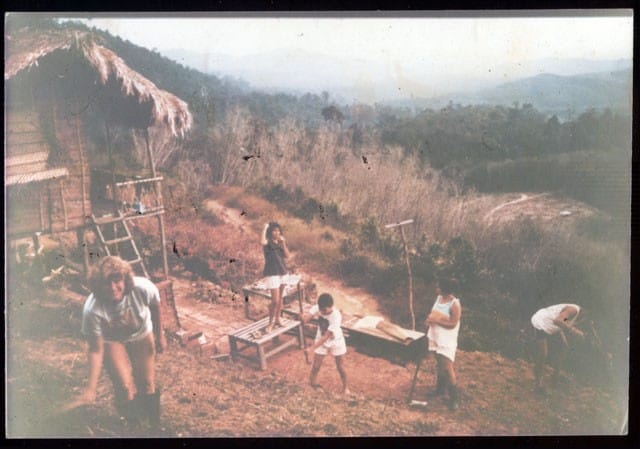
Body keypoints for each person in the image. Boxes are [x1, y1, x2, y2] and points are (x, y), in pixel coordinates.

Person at [64, 256, 167, 430]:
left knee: (146, 382)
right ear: (98, 286)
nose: (113, 288)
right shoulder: (92, 309)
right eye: (106, 284)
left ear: (125, 280)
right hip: (112, 339)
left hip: (141, 332)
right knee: (123, 385)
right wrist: (91, 387)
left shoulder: (143, 287)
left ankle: (153, 424)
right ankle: (133, 426)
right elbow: (96, 350)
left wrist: (160, 335)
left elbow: (155, 306)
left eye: (117, 281)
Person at [302, 293, 351, 396]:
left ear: (331, 306)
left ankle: (346, 388)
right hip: (321, 339)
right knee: (316, 366)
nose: (322, 312)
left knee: (340, 366)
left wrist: (311, 349)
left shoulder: (336, 316)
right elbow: (306, 319)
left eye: (324, 310)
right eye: (320, 309)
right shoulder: (318, 308)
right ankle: (312, 383)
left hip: (335, 341)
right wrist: (302, 317)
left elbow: (326, 337)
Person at [424, 278, 462, 410]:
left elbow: (453, 324)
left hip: (447, 339)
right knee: (439, 362)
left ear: (445, 289)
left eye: (439, 286)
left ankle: (454, 399)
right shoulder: (439, 298)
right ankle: (440, 390)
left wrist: (437, 321)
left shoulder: (454, 304)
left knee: (447, 366)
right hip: (435, 335)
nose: (436, 288)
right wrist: (429, 320)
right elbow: (434, 314)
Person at [530, 303, 584, 394]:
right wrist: (574, 331)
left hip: (551, 324)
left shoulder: (578, 314)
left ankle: (555, 377)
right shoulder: (573, 310)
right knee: (543, 353)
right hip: (541, 323)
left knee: (564, 346)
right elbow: (558, 321)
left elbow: (563, 320)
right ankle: (538, 385)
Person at [261, 222, 291, 334]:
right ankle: (270, 323)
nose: (277, 233)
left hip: (283, 272)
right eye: (274, 230)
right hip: (272, 273)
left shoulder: (280, 243)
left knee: (281, 299)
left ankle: (277, 319)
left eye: (278, 231)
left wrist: (284, 243)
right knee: (275, 301)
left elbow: (287, 256)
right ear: (270, 232)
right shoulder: (267, 243)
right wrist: (264, 228)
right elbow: (262, 241)